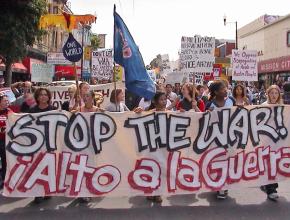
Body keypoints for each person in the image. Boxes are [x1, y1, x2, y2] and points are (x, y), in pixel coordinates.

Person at [206, 80, 235, 199]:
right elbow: (204, 121)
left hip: (230, 136)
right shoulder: (210, 104)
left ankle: (224, 184)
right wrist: (207, 114)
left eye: (226, 88)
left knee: (228, 161)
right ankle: (219, 185)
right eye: (223, 89)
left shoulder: (231, 101)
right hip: (215, 138)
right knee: (217, 161)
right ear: (216, 92)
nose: (226, 90)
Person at [29, 88, 56, 203]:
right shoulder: (33, 110)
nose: (43, 97)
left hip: (50, 143)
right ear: (37, 97)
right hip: (36, 144)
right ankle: (38, 193)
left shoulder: (53, 110)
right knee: (37, 167)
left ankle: (47, 190)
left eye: (45, 95)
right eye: (41, 95)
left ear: (49, 97)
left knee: (49, 168)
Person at [146, 91, 169, 204]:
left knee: (163, 169)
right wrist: (138, 113)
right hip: (152, 147)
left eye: (165, 99)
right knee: (152, 169)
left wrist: (183, 113)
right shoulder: (149, 113)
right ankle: (151, 191)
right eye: (161, 99)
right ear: (155, 102)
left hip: (165, 147)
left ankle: (159, 192)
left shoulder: (170, 113)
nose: (164, 102)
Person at [260, 85, 282, 201]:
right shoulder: (263, 106)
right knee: (269, 163)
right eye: (272, 93)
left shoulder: (282, 107)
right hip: (266, 140)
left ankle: (270, 185)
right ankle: (271, 189)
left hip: (278, 141)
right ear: (268, 94)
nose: (274, 95)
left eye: (276, 93)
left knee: (276, 163)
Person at [0, 95, 13, 189]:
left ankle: (4, 179)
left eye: (7, 101)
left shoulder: (10, 112)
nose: (7, 102)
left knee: (5, 160)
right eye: (5, 101)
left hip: (5, 140)